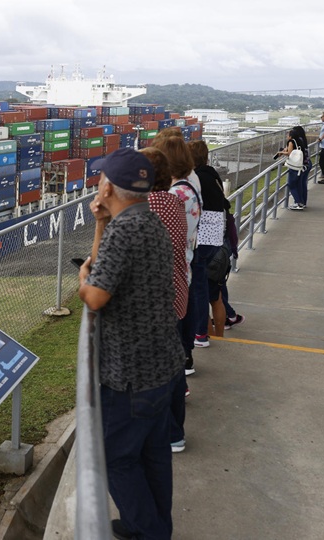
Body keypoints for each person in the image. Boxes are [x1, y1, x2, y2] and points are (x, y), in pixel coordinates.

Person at [78, 148, 184, 540]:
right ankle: (157, 527)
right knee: (154, 455)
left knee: (117, 459)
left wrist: (82, 282)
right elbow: (104, 265)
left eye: (101, 181)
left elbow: (96, 295)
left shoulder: (126, 230)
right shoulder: (149, 219)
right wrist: (100, 224)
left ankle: (148, 532)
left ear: (107, 187)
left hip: (131, 376)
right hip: (164, 366)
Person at [142, 146, 190, 454]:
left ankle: (164, 433)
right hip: (177, 292)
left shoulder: (145, 208)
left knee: (156, 373)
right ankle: (176, 432)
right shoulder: (174, 201)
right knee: (172, 366)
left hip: (155, 302)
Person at [152, 134, 201, 372]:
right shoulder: (190, 185)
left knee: (170, 331)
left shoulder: (173, 196)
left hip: (170, 272)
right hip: (186, 262)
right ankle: (183, 362)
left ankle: (177, 374)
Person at [187, 140, 230, 344]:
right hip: (216, 242)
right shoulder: (212, 175)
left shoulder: (197, 178)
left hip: (202, 241)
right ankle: (215, 336)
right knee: (215, 294)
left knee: (199, 290)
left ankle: (201, 334)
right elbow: (224, 203)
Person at [278, 127, 310, 209]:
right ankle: (302, 202)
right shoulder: (300, 141)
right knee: (300, 184)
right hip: (302, 165)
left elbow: (289, 153)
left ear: (291, 136)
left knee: (292, 184)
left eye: (288, 135)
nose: (286, 136)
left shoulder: (291, 142)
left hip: (295, 166)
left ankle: (298, 203)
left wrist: (281, 152)